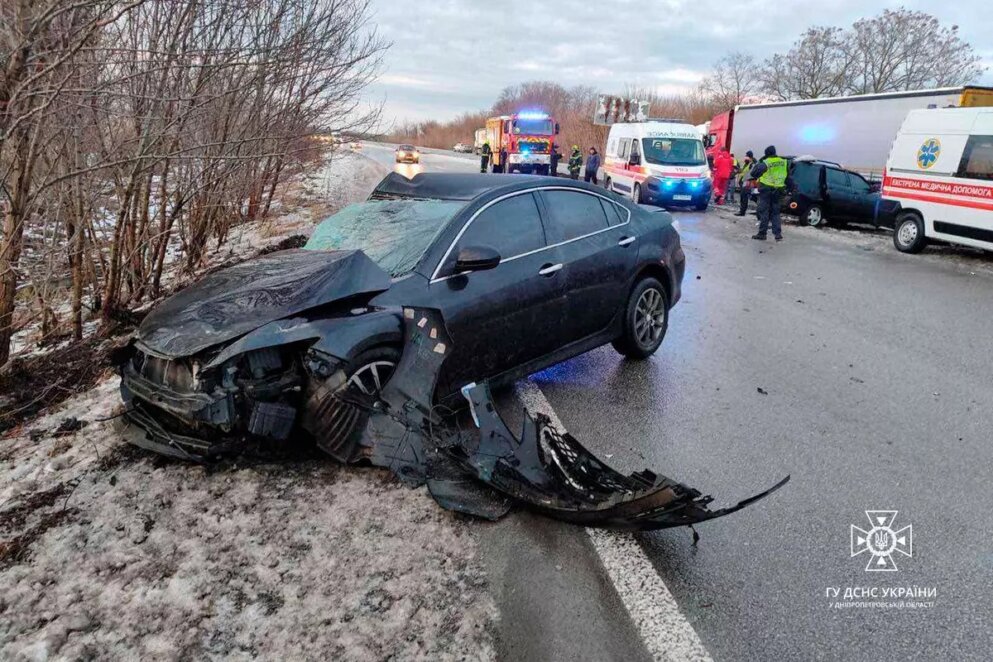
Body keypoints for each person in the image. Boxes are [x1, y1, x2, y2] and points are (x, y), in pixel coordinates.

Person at [750, 145, 787, 241]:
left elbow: (753, 173)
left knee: (764, 212)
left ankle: (762, 234)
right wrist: (793, 188)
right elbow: (788, 177)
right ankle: (778, 234)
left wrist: (760, 161)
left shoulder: (766, 162)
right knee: (775, 213)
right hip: (778, 190)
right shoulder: (783, 162)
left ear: (766, 154)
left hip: (766, 190)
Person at [734, 151, 756, 216]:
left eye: (746, 156)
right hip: (745, 182)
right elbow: (744, 171)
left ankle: (742, 212)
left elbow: (751, 174)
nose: (745, 157)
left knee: (744, 197)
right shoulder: (748, 163)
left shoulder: (752, 164)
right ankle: (742, 211)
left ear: (750, 157)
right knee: (745, 197)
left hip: (748, 182)